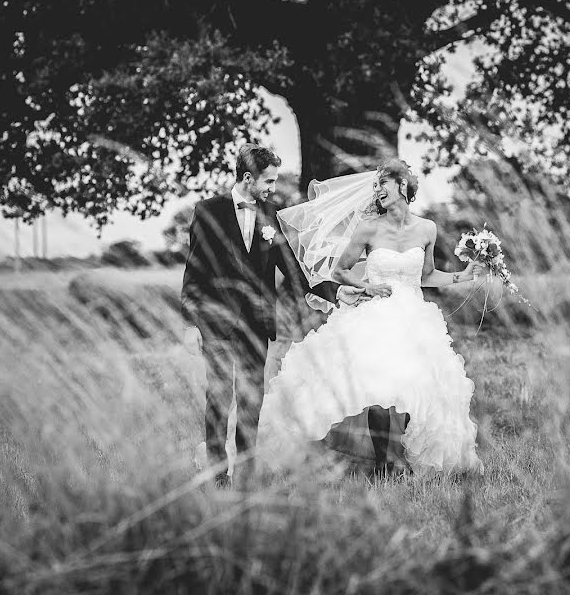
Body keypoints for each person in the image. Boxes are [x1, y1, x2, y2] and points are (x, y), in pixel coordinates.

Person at [257, 160, 484, 476]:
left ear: (402, 185)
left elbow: (428, 275)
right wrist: (366, 286)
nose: (377, 191)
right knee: (378, 385)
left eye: (383, 184)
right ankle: (385, 462)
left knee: (411, 382)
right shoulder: (368, 228)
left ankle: (403, 454)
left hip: (414, 317)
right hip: (376, 314)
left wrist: (462, 276)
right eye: (375, 185)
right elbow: (339, 270)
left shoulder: (427, 229)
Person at [181, 144, 340, 486]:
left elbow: (292, 269)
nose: (272, 188)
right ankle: (217, 471)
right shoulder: (207, 211)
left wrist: (333, 294)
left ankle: (247, 470)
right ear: (248, 178)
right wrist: (192, 322)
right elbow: (194, 271)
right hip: (217, 323)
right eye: (268, 181)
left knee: (252, 399)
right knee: (219, 397)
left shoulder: (270, 214)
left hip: (257, 324)